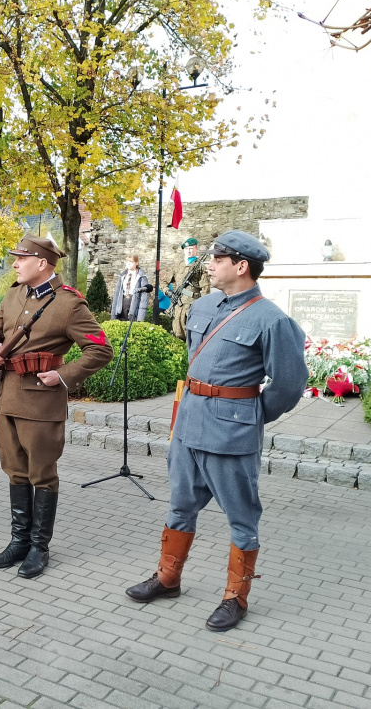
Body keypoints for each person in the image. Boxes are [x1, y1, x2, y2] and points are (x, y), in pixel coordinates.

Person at [124, 230, 307, 632]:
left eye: (218, 258)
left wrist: (248, 414)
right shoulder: (205, 305)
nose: (209, 263)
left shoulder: (272, 319)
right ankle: (168, 578)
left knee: (241, 517)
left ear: (241, 267)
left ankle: (235, 598)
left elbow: (290, 385)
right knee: (180, 505)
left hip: (230, 433)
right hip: (189, 424)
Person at [0, 236, 113, 578]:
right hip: (7, 397)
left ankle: (40, 547)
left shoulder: (69, 304)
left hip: (40, 401)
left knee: (42, 475)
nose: (14, 264)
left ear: (42, 263)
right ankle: (19, 541)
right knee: (15, 471)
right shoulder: (13, 294)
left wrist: (63, 375)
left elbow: (100, 350)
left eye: (20, 258)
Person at [161, 237, 211, 340]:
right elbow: (163, 281)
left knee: (191, 336)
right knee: (176, 333)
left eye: (191, 248)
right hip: (177, 306)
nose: (189, 251)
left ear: (196, 249)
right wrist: (168, 292)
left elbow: (206, 289)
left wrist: (203, 309)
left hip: (192, 306)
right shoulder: (177, 265)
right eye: (187, 249)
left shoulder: (200, 267)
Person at [109, 254, 150, 322]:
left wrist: (140, 319)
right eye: (127, 261)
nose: (128, 264)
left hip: (134, 303)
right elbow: (117, 295)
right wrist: (113, 315)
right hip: (123, 302)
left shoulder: (141, 277)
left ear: (136, 263)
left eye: (131, 262)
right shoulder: (122, 276)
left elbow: (144, 298)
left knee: (132, 323)